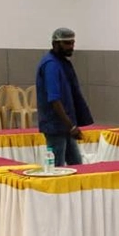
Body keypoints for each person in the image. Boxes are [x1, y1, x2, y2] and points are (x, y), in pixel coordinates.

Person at [36, 27, 93, 166]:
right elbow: (54, 99)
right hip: (56, 126)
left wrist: (71, 125)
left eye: (72, 43)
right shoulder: (51, 65)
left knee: (77, 165)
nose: (71, 47)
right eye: (67, 43)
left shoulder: (62, 63)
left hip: (65, 125)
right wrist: (71, 127)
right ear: (55, 44)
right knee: (57, 167)